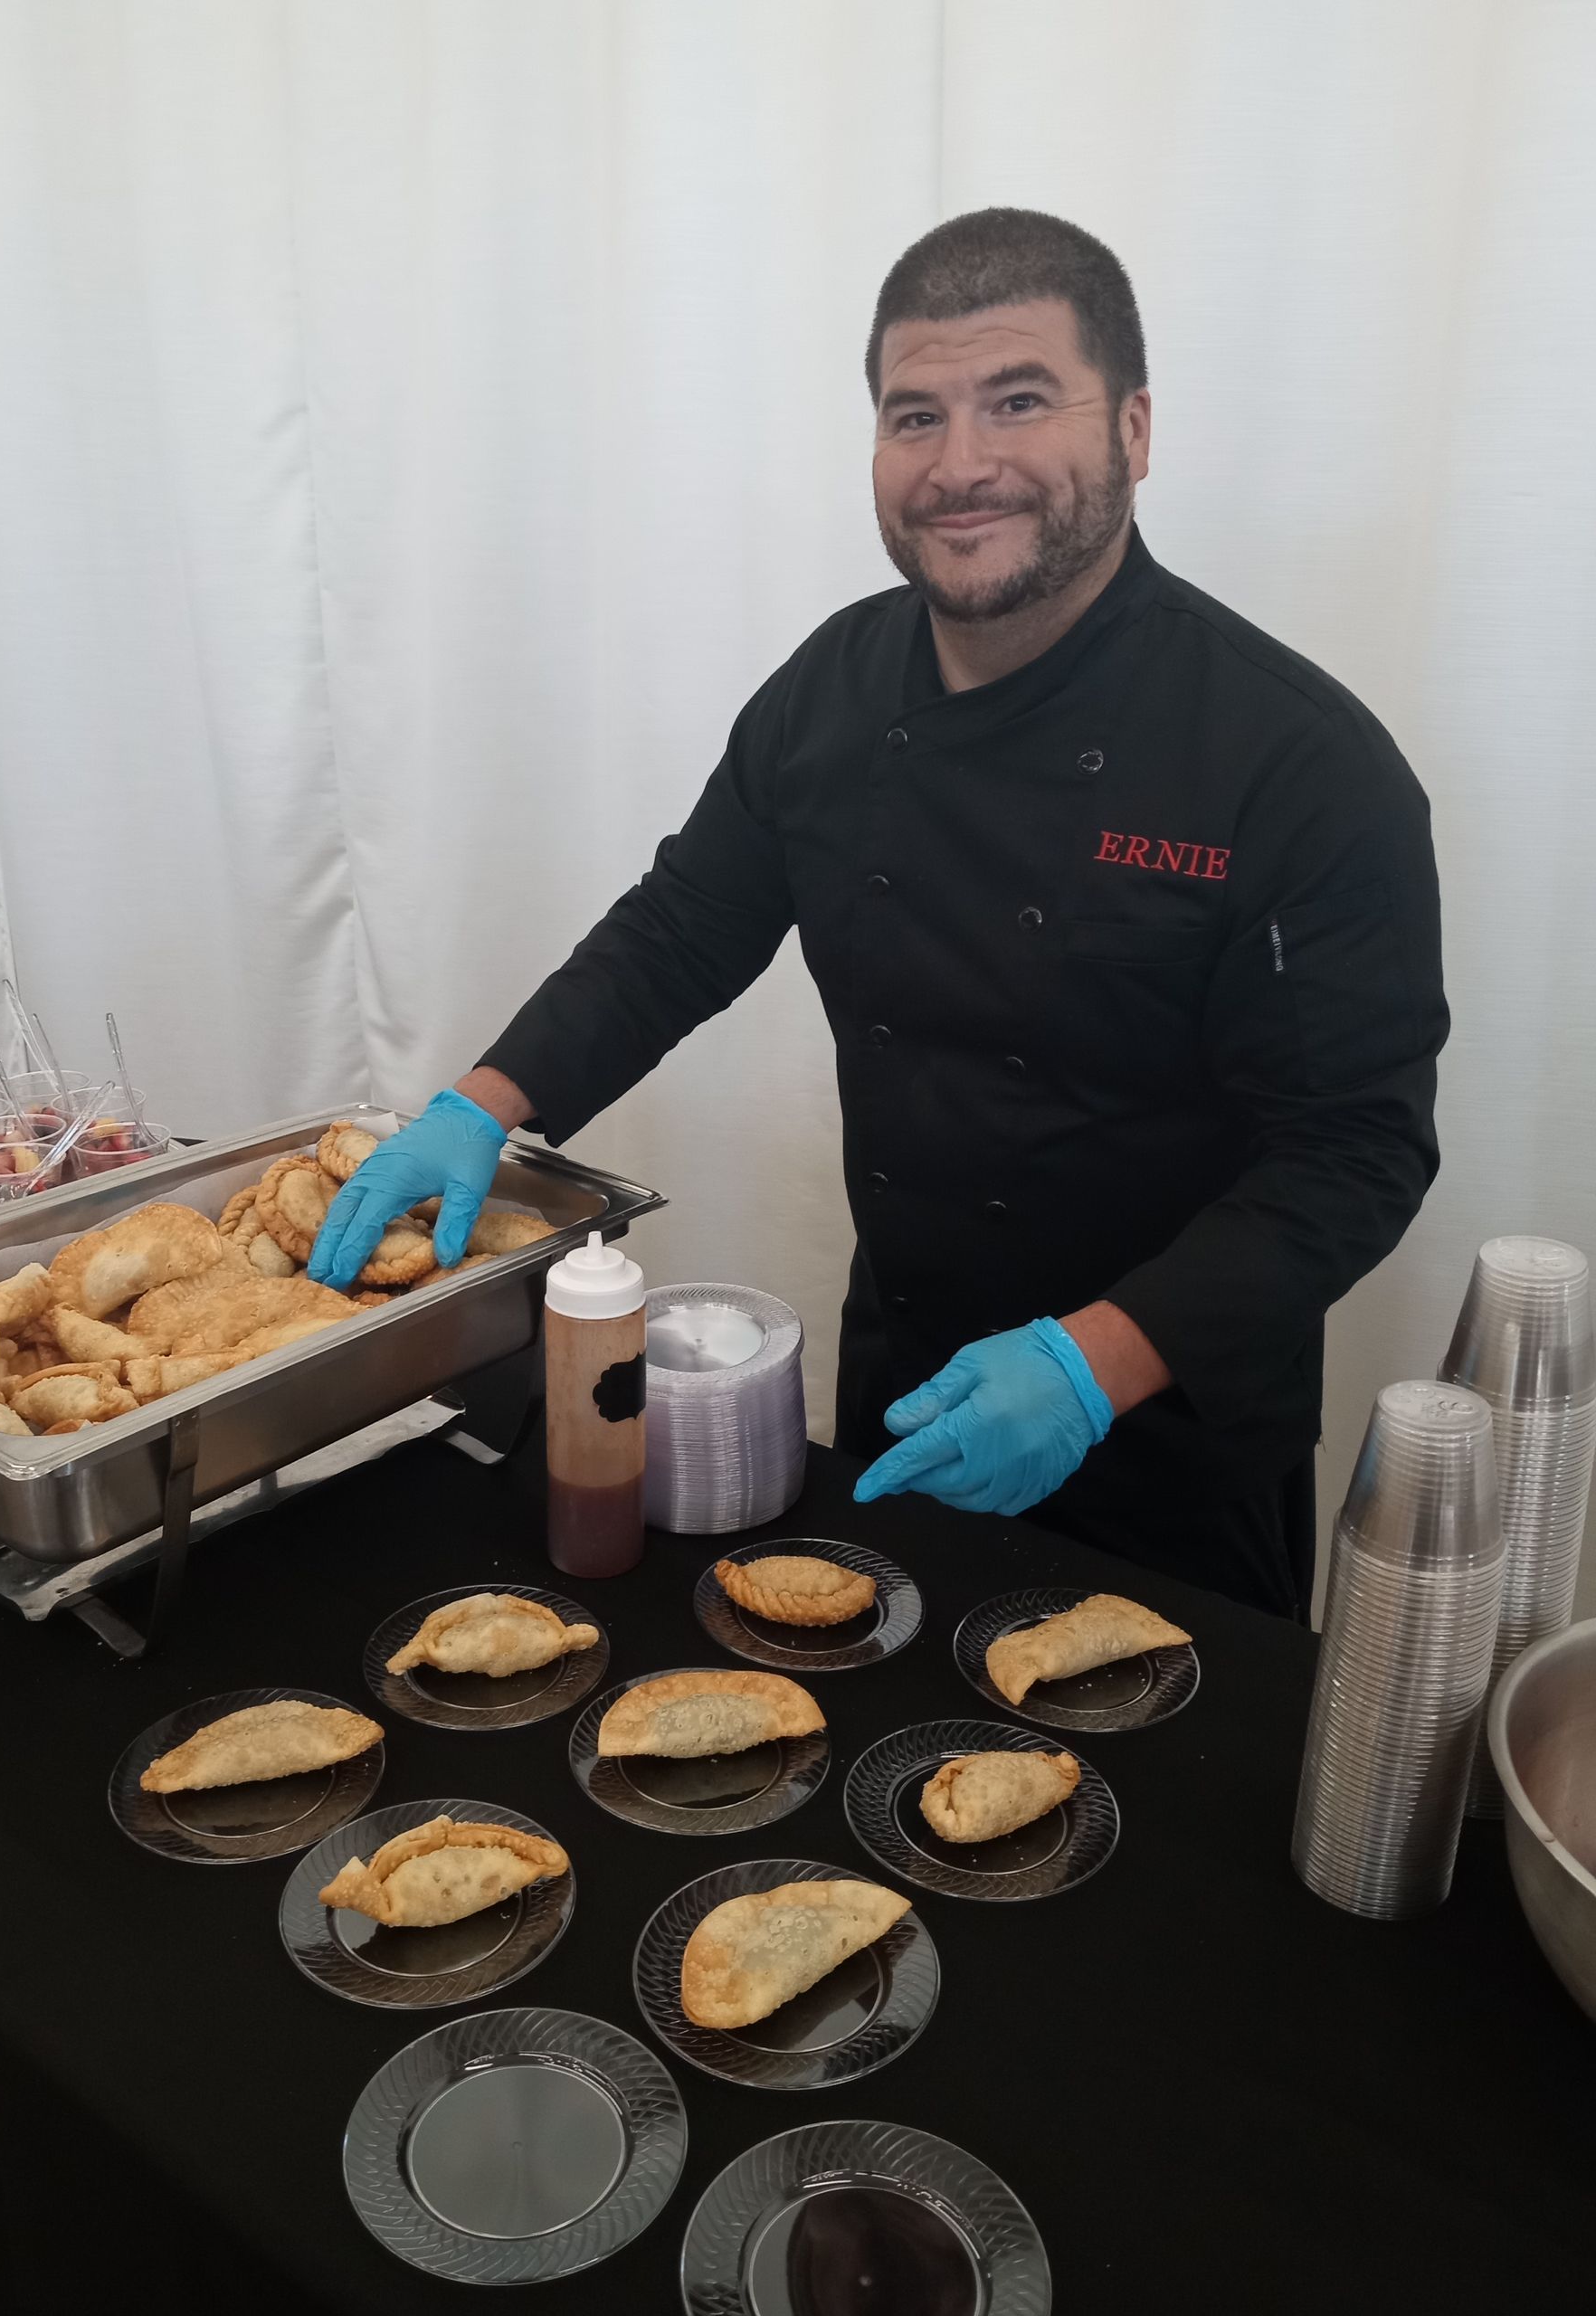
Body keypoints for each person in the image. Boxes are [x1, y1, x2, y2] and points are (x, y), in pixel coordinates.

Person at [309, 208, 1447, 1619]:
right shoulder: (831, 693)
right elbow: (682, 929)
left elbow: (1354, 1155)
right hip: (902, 1391)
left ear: (1136, 430)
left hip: (1169, 1441)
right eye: (917, 415)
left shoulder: (1298, 764)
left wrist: (1097, 1361)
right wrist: (483, 1105)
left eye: (1018, 402)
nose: (960, 464)